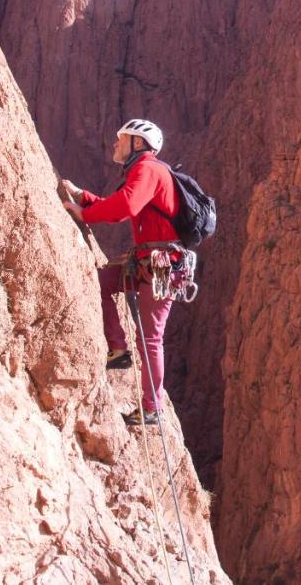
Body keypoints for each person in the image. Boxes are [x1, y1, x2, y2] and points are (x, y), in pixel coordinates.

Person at [61, 119, 180, 426]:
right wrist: (85, 198)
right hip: (148, 264)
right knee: (99, 283)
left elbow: (125, 207)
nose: (115, 143)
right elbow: (120, 204)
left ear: (138, 144)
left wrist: (85, 213)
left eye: (122, 139)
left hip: (159, 269)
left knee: (151, 339)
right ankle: (117, 348)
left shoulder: (149, 169)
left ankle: (152, 409)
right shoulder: (144, 170)